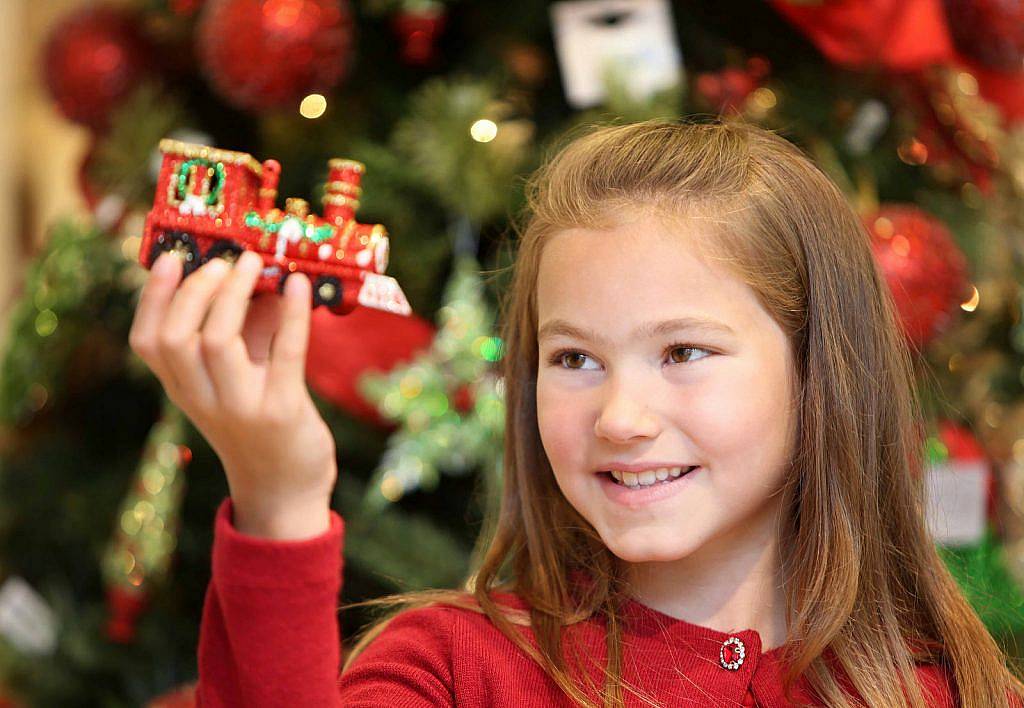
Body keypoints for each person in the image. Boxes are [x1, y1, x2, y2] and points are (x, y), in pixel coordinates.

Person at [129, 118, 1024, 707]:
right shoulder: (450, 669)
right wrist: (279, 502)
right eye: (574, 360)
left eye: (683, 352)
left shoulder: (947, 688)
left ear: (820, 373)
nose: (621, 417)